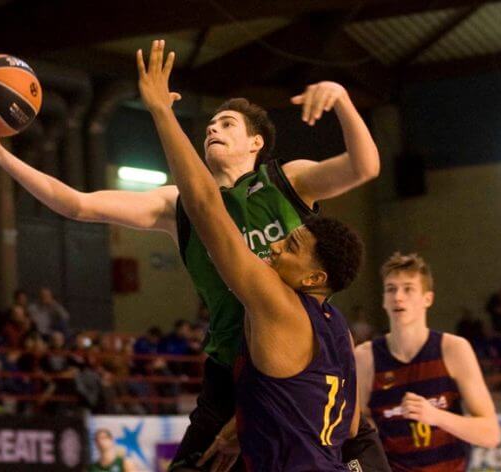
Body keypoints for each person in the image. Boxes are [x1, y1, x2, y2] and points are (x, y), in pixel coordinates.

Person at [0, 35, 385, 470]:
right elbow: (76, 204)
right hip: (232, 370)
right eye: (210, 125)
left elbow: (364, 166)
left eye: (228, 123)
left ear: (256, 143)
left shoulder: (287, 182)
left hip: (303, 363)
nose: (213, 128)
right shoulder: (175, 204)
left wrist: (343, 100)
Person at [137, 39, 365, 471]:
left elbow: (204, 206)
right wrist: (253, 419)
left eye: (292, 243)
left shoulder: (269, 299)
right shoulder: (338, 329)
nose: (278, 243)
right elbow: (350, 423)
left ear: (315, 276)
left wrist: (162, 113)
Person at [355, 253, 500, 471]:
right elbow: (357, 426)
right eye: (391, 289)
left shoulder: (453, 349)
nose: (398, 297)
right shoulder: (365, 357)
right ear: (384, 300)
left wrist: (436, 416)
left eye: (408, 288)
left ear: (428, 299)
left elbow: (490, 433)